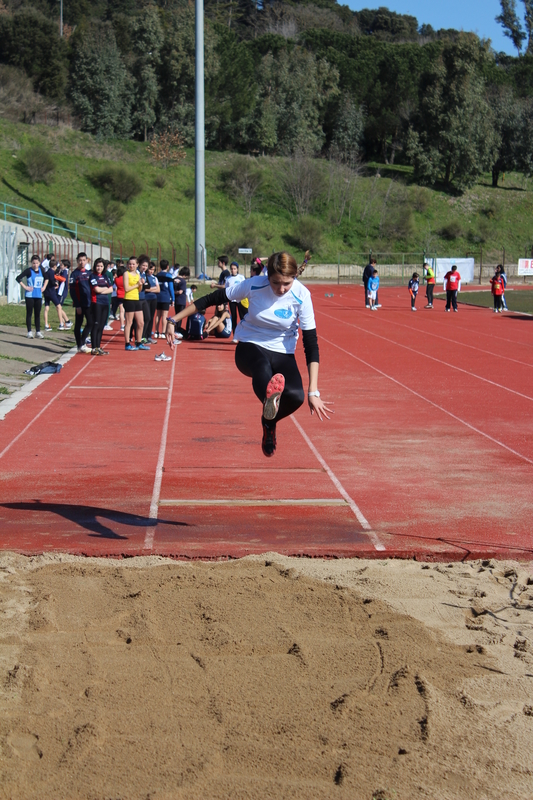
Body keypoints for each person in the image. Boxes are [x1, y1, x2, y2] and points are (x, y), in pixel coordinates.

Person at [165, 251, 333, 458]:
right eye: (275, 283)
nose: (281, 289)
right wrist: (173, 320)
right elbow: (211, 299)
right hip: (250, 346)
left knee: (296, 396)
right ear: (267, 276)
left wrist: (313, 392)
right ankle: (268, 400)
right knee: (261, 366)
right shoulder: (254, 284)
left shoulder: (302, 295)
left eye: (286, 284)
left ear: (294, 278)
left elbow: (311, 343)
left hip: (283, 351)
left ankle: (268, 421)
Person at [16, 254, 48, 339]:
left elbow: (47, 278)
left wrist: (44, 287)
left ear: (39, 263)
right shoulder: (28, 271)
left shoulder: (42, 270)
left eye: (37, 263)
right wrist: (25, 287)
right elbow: (18, 278)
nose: (35, 265)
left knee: (37, 314)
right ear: (31, 263)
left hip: (38, 295)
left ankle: (38, 331)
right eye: (33, 263)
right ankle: (29, 332)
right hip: (30, 296)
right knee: (29, 313)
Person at [123, 256, 150, 351]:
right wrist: (137, 285)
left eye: (133, 264)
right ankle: (127, 343)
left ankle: (139, 342)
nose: (131, 265)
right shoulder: (126, 274)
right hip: (129, 299)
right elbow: (126, 288)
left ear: (137, 265)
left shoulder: (138, 275)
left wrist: (141, 284)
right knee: (129, 322)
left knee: (141, 322)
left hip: (136, 299)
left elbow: (139, 290)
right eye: (130, 264)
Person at [69, 252, 94, 352]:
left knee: (90, 322)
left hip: (89, 302)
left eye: (84, 260)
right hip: (80, 303)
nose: (82, 262)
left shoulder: (89, 273)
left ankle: (83, 341)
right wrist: (77, 304)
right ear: (77, 261)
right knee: (78, 323)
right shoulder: (74, 274)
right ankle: (79, 344)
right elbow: (72, 291)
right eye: (80, 260)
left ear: (87, 260)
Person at [89, 258, 113, 354]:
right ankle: (94, 347)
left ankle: (98, 346)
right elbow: (96, 290)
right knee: (96, 324)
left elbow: (111, 289)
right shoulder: (92, 276)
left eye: (101, 266)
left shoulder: (105, 277)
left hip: (105, 303)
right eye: (98, 266)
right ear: (95, 266)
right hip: (96, 303)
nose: (99, 268)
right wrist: (105, 289)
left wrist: (103, 289)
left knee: (102, 326)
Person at [154, 260, 175, 338]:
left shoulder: (157, 276)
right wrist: (173, 298)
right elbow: (171, 288)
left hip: (158, 296)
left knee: (157, 315)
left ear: (159, 266)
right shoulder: (169, 276)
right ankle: (163, 332)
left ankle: (156, 332)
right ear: (167, 267)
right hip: (165, 297)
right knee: (164, 315)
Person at [225, 261, 246, 332]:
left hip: (240, 300)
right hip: (232, 300)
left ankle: (243, 333)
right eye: (231, 269)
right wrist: (226, 303)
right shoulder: (228, 279)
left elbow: (244, 288)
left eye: (234, 268)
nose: (233, 270)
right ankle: (235, 334)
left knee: (242, 317)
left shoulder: (241, 277)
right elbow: (226, 290)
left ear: (237, 269)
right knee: (234, 317)